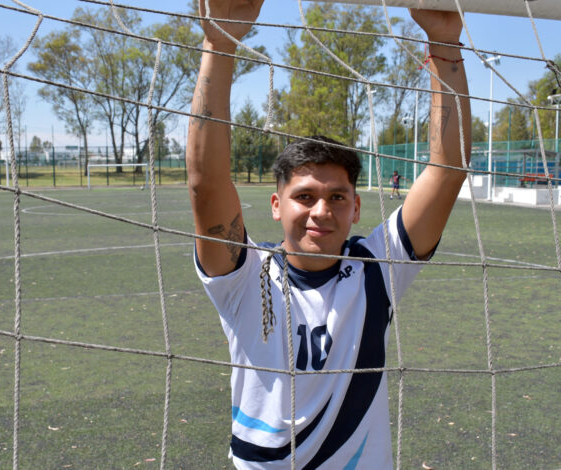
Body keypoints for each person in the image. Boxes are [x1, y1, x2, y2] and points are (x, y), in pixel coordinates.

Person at [186, 1, 470, 468]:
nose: (321, 211)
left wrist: (444, 43)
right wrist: (219, 40)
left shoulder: (378, 266)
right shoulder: (243, 276)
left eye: (337, 197)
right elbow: (205, 182)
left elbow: (448, 169)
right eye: (304, 196)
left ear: (356, 208)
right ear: (276, 206)